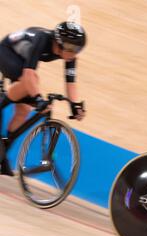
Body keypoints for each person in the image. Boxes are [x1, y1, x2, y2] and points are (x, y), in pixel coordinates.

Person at [0, 21, 87, 175]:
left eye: (78, 49)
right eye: (73, 49)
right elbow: (28, 74)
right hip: (7, 52)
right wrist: (39, 99)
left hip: (21, 60)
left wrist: (75, 106)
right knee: (32, 81)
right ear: (60, 44)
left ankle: (2, 151)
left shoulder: (69, 55)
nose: (75, 53)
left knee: (23, 110)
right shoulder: (42, 38)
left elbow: (71, 83)